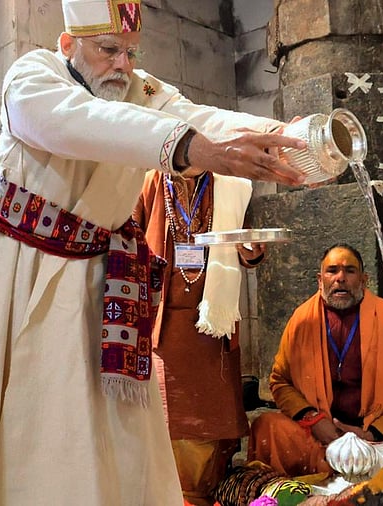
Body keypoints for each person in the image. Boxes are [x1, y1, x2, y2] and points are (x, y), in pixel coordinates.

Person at [0, 0, 308, 503]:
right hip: (20, 274)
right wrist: (194, 149)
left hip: (96, 283)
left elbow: (201, 118)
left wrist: (283, 137)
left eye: (130, 52)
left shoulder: (139, 90)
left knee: (106, 430)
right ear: (68, 44)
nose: (123, 65)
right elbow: (83, 123)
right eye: (108, 50)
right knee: (32, 422)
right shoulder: (30, 77)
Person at [132, 168, 264, 505]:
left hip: (212, 323)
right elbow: (128, 234)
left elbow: (247, 247)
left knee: (211, 419)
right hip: (163, 324)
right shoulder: (150, 182)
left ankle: (201, 496)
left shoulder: (229, 186)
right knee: (169, 419)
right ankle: (171, 496)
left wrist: (252, 251)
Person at [247, 243, 383, 477]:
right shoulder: (302, 319)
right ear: (320, 280)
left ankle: (345, 473)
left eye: (350, 271)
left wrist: (369, 434)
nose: (340, 278)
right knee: (267, 427)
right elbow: (280, 381)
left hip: (370, 438)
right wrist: (314, 420)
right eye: (332, 271)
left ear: (364, 280)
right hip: (317, 434)